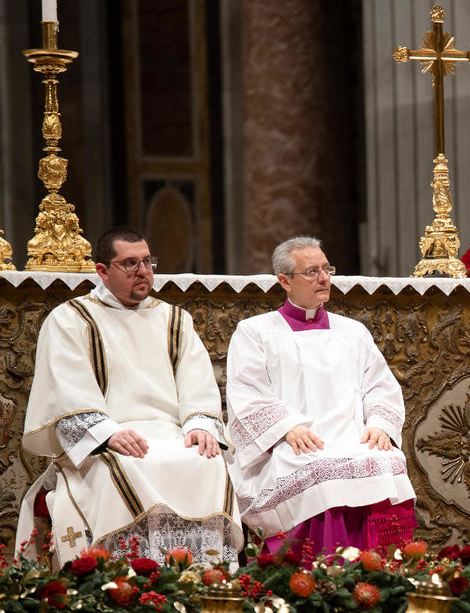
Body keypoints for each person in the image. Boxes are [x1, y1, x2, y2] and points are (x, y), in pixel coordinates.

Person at [17, 226, 240, 566]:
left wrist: (200, 424)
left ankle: (206, 578)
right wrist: (107, 433)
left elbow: (198, 384)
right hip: (111, 438)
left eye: (148, 262)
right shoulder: (72, 319)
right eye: (131, 263)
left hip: (171, 433)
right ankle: (127, 585)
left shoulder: (174, 320)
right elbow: (68, 389)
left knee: (207, 462)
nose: (144, 272)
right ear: (102, 271)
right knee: (123, 466)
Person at [224, 236, 415, 555]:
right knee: (322, 472)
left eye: (327, 269)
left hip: (353, 439)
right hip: (294, 444)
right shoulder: (255, 332)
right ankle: (321, 578)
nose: (324, 278)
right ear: (284, 280)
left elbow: (380, 385)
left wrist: (380, 424)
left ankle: (384, 574)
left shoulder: (352, 332)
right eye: (311, 271)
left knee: (387, 462)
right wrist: (287, 428)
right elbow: (247, 393)